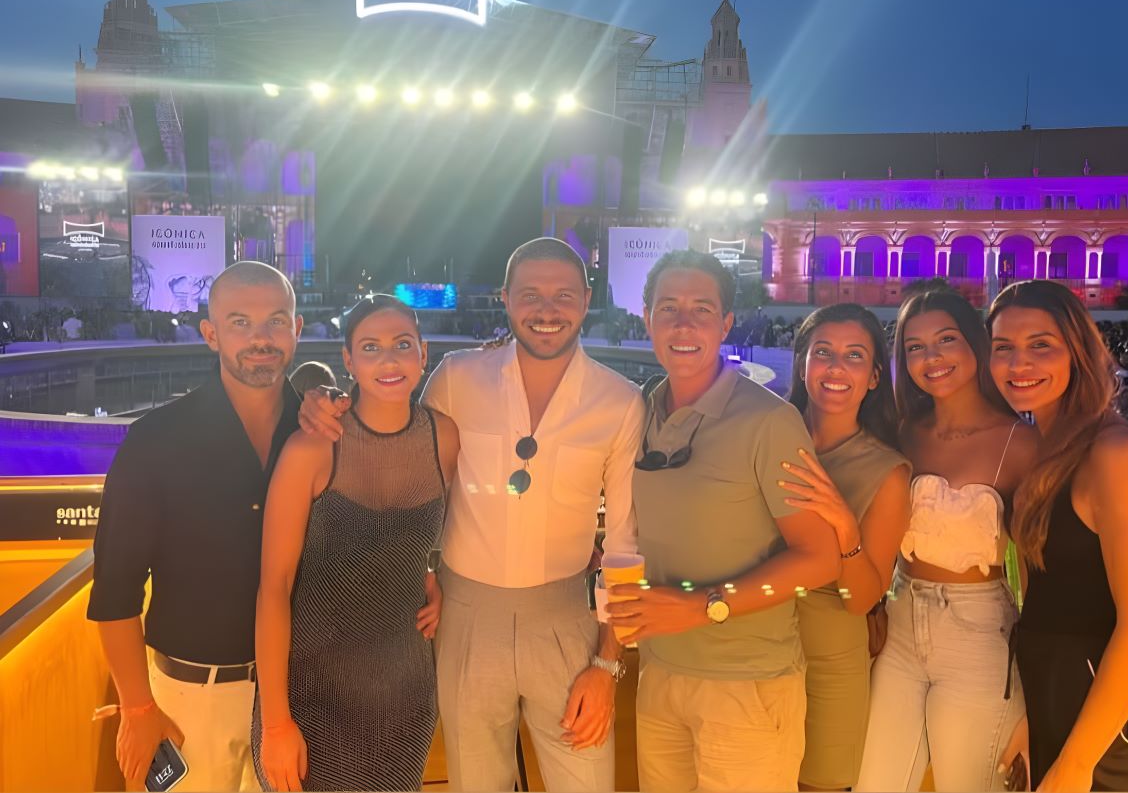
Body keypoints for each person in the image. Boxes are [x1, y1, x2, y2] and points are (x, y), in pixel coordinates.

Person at [299, 238, 642, 792]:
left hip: (568, 625)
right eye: (530, 294)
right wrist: (324, 399)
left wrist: (606, 665)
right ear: (505, 298)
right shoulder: (459, 376)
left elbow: (624, 545)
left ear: (586, 298)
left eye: (562, 295)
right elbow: (400, 455)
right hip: (463, 619)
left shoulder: (620, 401)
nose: (546, 310)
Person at [605, 250, 842, 793]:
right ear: (646, 318)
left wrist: (705, 604)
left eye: (702, 309)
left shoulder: (769, 421)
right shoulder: (642, 411)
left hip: (747, 685)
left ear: (726, 323)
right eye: (669, 308)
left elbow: (820, 558)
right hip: (660, 673)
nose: (684, 325)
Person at [88, 261, 302, 791]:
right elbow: (115, 590)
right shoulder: (156, 440)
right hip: (190, 701)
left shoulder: (322, 432)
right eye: (240, 322)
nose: (261, 338)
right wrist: (138, 708)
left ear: (297, 329)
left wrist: (427, 578)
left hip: (300, 695)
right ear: (211, 334)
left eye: (276, 321)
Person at [988, 280, 1128, 791]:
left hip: (1113, 726)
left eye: (1040, 345)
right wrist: (1036, 716)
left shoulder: (1119, 454)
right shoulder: (1043, 451)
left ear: (1078, 352)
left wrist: (1076, 764)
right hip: (1058, 702)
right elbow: (1048, 599)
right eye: (1003, 347)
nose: (1018, 363)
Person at [253, 295, 458, 791]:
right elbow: (274, 587)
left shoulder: (445, 439)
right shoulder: (313, 447)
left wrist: (433, 576)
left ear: (423, 354)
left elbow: (431, 533)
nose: (389, 360)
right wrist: (276, 723)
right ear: (348, 360)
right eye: (370, 347)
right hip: (310, 694)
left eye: (402, 345)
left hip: (405, 694)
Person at [855, 286, 1037, 793]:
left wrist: (1037, 698)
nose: (931, 357)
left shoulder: (1020, 442)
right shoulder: (902, 431)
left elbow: (1039, 572)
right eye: (915, 347)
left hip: (978, 633)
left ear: (975, 342)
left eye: (946, 340)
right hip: (899, 622)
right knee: (873, 783)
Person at [779, 303, 912, 791]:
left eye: (854, 356)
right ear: (802, 363)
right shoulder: (767, 438)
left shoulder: (887, 472)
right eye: (824, 353)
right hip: (752, 648)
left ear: (874, 377)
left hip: (830, 664)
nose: (836, 367)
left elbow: (862, 599)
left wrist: (845, 529)